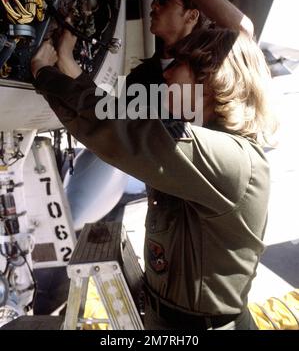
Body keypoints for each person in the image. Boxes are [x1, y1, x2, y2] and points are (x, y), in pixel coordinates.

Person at [30, 19, 277, 330]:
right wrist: (63, 62)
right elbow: (120, 117)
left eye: (181, 64)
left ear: (212, 78)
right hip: (167, 319)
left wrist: (43, 73)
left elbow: (123, 129)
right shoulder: (212, 148)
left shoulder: (233, 161)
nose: (167, 73)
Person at [126, 0, 254, 89]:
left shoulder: (206, 68)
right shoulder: (139, 76)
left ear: (192, 16)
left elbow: (241, 29)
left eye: (165, 1)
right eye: (157, 0)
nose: (154, 5)